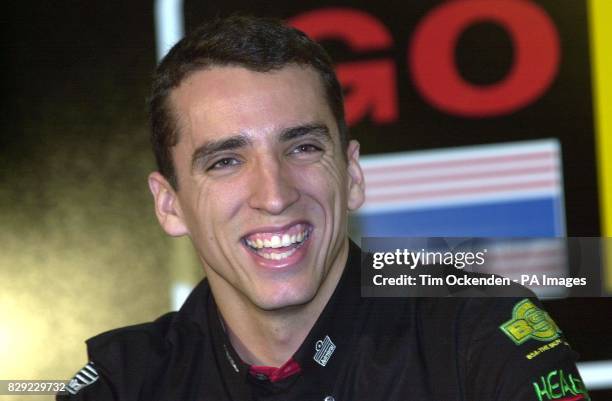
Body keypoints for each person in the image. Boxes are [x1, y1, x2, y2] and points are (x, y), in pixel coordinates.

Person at [59, 15, 590, 401]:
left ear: (352, 174)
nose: (275, 194)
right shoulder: (124, 383)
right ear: (169, 204)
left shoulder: (476, 328)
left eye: (303, 148)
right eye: (225, 161)